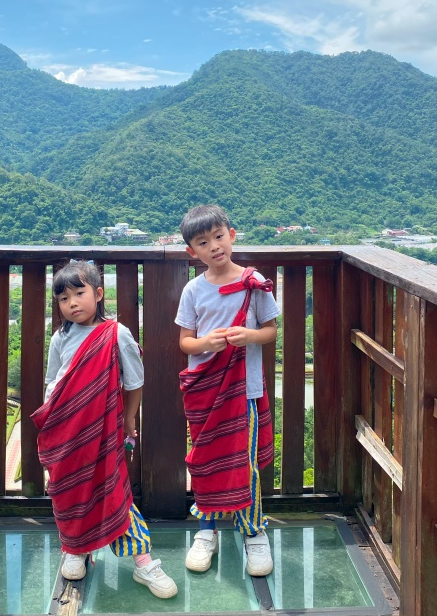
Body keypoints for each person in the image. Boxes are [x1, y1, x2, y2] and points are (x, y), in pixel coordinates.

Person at [31, 260, 177, 599]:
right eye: (63, 298)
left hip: (104, 433)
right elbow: (54, 382)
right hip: (68, 433)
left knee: (113, 491)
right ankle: (75, 548)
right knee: (68, 489)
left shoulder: (116, 334)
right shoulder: (60, 337)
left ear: (98, 294)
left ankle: (144, 562)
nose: (72, 304)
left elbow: (135, 381)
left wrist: (129, 418)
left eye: (79, 293)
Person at [175, 205, 280, 577]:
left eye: (219, 237)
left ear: (232, 235)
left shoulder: (254, 283)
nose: (214, 246)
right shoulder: (193, 290)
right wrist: (208, 344)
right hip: (205, 390)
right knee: (205, 461)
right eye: (203, 242)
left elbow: (270, 332)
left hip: (245, 391)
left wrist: (248, 336)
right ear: (193, 252)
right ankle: (206, 532)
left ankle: (254, 533)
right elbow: (186, 343)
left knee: (245, 465)